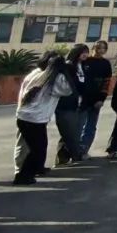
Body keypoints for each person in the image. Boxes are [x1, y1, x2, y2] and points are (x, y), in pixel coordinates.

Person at [14, 53, 74, 184]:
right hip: (35, 119)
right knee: (37, 149)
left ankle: (35, 169)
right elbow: (68, 90)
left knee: (36, 147)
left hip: (24, 116)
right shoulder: (55, 78)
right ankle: (23, 176)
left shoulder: (36, 73)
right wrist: (66, 72)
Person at [55, 44, 89, 165]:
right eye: (83, 52)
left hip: (79, 103)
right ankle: (65, 156)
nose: (85, 54)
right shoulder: (69, 66)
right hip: (68, 103)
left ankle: (70, 155)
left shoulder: (83, 66)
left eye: (86, 52)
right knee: (68, 131)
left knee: (75, 130)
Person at [80, 41, 112, 155]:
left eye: (103, 48)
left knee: (90, 126)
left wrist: (101, 99)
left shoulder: (105, 64)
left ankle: (84, 150)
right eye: (98, 48)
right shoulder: (85, 61)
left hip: (96, 99)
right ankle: (73, 150)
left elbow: (106, 83)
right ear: (93, 48)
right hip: (83, 99)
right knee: (79, 125)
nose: (100, 50)